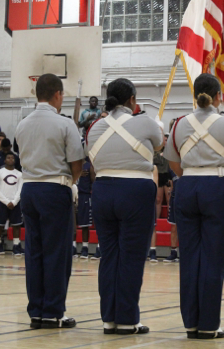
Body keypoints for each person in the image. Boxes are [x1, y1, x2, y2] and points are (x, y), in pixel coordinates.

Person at [163, 74, 224, 340]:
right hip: (218, 187)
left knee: (189, 258)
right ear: (218, 96)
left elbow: (174, 164)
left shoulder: (178, 124)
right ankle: (209, 324)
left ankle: (191, 324)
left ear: (194, 95)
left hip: (188, 187)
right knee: (213, 257)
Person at [87, 77, 161, 335]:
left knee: (109, 256)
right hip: (135, 191)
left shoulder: (94, 127)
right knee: (131, 257)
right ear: (132, 100)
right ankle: (128, 319)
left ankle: (109, 318)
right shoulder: (145, 122)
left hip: (103, 191)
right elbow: (159, 143)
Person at [16, 73, 84, 330]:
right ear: (57, 94)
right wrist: (72, 182)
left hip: (29, 190)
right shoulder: (65, 124)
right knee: (57, 253)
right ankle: (53, 312)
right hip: (55, 189)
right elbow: (77, 163)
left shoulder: (22, 124)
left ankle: (36, 311)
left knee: (34, 252)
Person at [0, 152, 24, 257]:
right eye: (8, 157)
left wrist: (14, 201)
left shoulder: (20, 174)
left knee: (16, 225)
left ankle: (16, 246)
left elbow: (20, 190)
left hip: (15, 203)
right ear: (5, 160)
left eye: (12, 158)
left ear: (15, 160)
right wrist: (6, 201)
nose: (10, 159)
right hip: (2, 202)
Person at [150, 141, 171, 263]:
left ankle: (168, 219)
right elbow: (155, 162)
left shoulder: (168, 149)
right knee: (158, 199)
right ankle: (156, 219)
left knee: (168, 199)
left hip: (166, 174)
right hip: (158, 173)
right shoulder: (153, 151)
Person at [75, 157, 95, 259]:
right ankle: (73, 247)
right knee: (73, 222)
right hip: (74, 194)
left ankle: (85, 248)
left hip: (85, 195)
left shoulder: (89, 166)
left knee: (85, 224)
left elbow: (94, 181)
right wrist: (77, 174)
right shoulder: (73, 166)